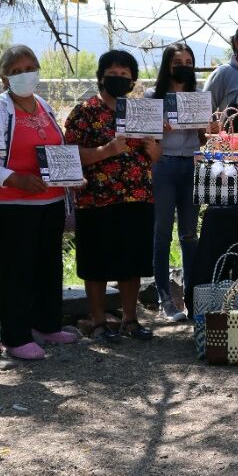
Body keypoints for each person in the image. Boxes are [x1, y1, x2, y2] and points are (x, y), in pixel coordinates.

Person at [65, 50, 161, 342]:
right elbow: (69, 156)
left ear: (132, 80)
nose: (118, 79)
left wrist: (155, 153)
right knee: (97, 263)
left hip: (137, 197)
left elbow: (155, 153)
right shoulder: (85, 111)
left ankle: (130, 321)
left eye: (124, 75)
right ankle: (98, 324)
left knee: (132, 262)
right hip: (96, 198)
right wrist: (105, 151)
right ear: (101, 76)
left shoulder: (141, 111)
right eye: (113, 73)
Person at [0, 45, 80, 359]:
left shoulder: (43, 105)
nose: (24, 75)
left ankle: (46, 324)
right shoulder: (2, 110)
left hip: (51, 202)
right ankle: (16, 337)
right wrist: (13, 178)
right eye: (16, 70)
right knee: (15, 270)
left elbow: (57, 153)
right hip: (13, 206)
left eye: (29, 67)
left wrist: (71, 176)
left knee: (48, 266)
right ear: (4, 77)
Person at [144, 42, 206, 322]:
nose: (183, 66)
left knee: (190, 234)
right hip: (164, 165)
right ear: (167, 65)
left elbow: (205, 138)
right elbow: (143, 137)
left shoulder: (200, 96)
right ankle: (165, 298)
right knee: (161, 232)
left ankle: (193, 297)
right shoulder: (151, 96)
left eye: (189, 62)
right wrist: (158, 129)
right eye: (178, 61)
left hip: (192, 164)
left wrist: (209, 128)